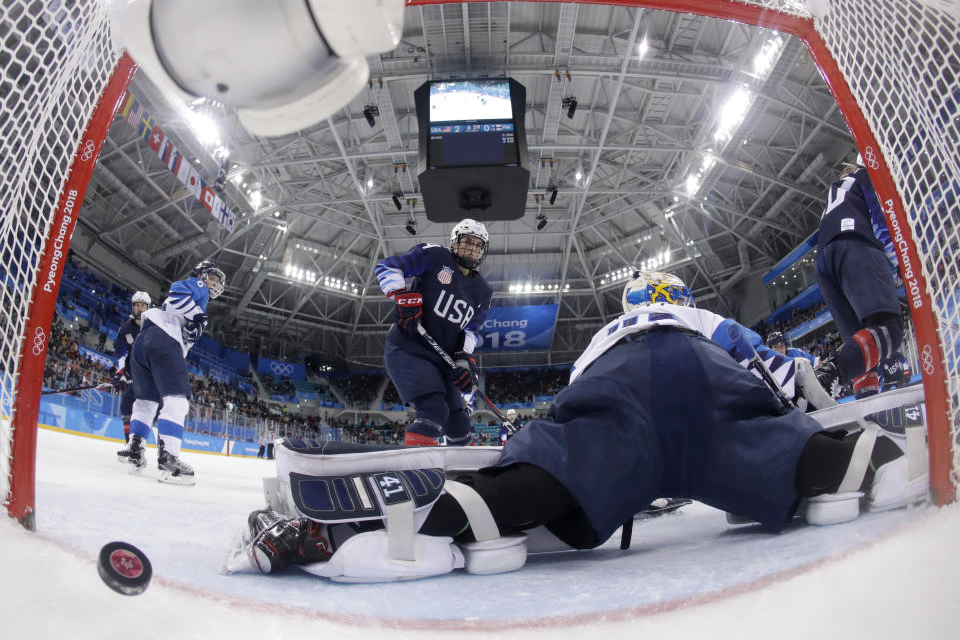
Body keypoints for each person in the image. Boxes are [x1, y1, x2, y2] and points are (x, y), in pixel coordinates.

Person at [239, 271, 927, 582]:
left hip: (614, 392)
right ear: (678, 299)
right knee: (808, 461)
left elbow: (580, 404)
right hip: (704, 380)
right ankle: (873, 454)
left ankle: (364, 528)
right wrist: (803, 394)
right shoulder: (698, 319)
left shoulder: (608, 333)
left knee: (525, 489)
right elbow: (769, 367)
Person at [375, 218, 493, 446]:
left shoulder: (483, 292)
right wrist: (400, 295)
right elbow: (388, 266)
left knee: (459, 421)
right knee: (433, 410)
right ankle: (416, 472)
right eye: (467, 241)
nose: (472, 248)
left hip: (442, 359)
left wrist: (463, 360)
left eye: (478, 244)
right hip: (408, 348)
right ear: (454, 242)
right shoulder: (435, 256)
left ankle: (463, 476)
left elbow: (470, 331)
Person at [116, 261, 226, 484]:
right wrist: (196, 314)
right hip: (164, 342)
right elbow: (177, 289)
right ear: (201, 274)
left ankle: (135, 448)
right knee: (177, 401)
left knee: (146, 401)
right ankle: (169, 459)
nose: (213, 283)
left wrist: (194, 321)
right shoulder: (198, 288)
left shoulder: (195, 300)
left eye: (216, 280)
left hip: (143, 343)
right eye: (211, 277)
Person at [814, 158, 904, 399]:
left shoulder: (841, 187)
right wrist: (900, 269)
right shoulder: (868, 176)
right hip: (853, 246)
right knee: (890, 330)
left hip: (825, 263)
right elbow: (883, 224)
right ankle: (830, 371)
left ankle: (869, 408)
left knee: (864, 356)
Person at [112, 291, 152, 443]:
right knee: (126, 407)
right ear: (132, 307)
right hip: (132, 373)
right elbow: (121, 352)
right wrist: (121, 372)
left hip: (150, 374)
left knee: (148, 410)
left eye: (143, 305)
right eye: (137, 305)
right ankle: (130, 444)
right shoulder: (126, 329)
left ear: (148, 308)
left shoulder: (154, 329)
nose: (140, 308)